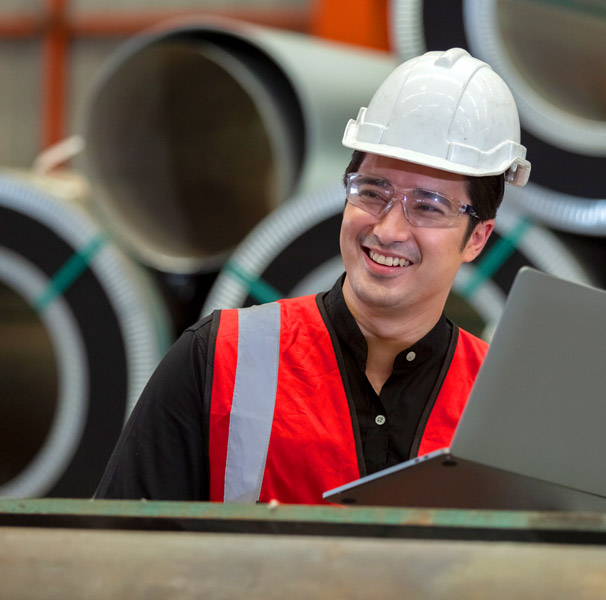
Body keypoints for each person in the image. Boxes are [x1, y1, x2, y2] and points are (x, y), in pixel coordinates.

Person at [95, 47, 531, 503]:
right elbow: (118, 548)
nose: (388, 229)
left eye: (428, 207)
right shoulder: (218, 360)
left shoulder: (503, 406)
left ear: (477, 237)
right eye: (372, 192)